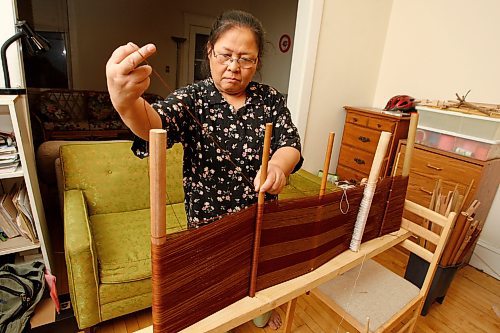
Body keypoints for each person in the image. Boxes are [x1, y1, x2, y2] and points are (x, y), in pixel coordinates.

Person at [106, 9, 302, 330]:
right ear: (209, 51)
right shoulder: (193, 98)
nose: (234, 67)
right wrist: (126, 103)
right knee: (212, 287)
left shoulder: (269, 99)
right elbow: (155, 124)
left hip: (260, 216)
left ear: (257, 62)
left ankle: (258, 311)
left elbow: (289, 141)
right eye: (225, 55)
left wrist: (280, 165)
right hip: (208, 222)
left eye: (246, 59)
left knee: (257, 272)